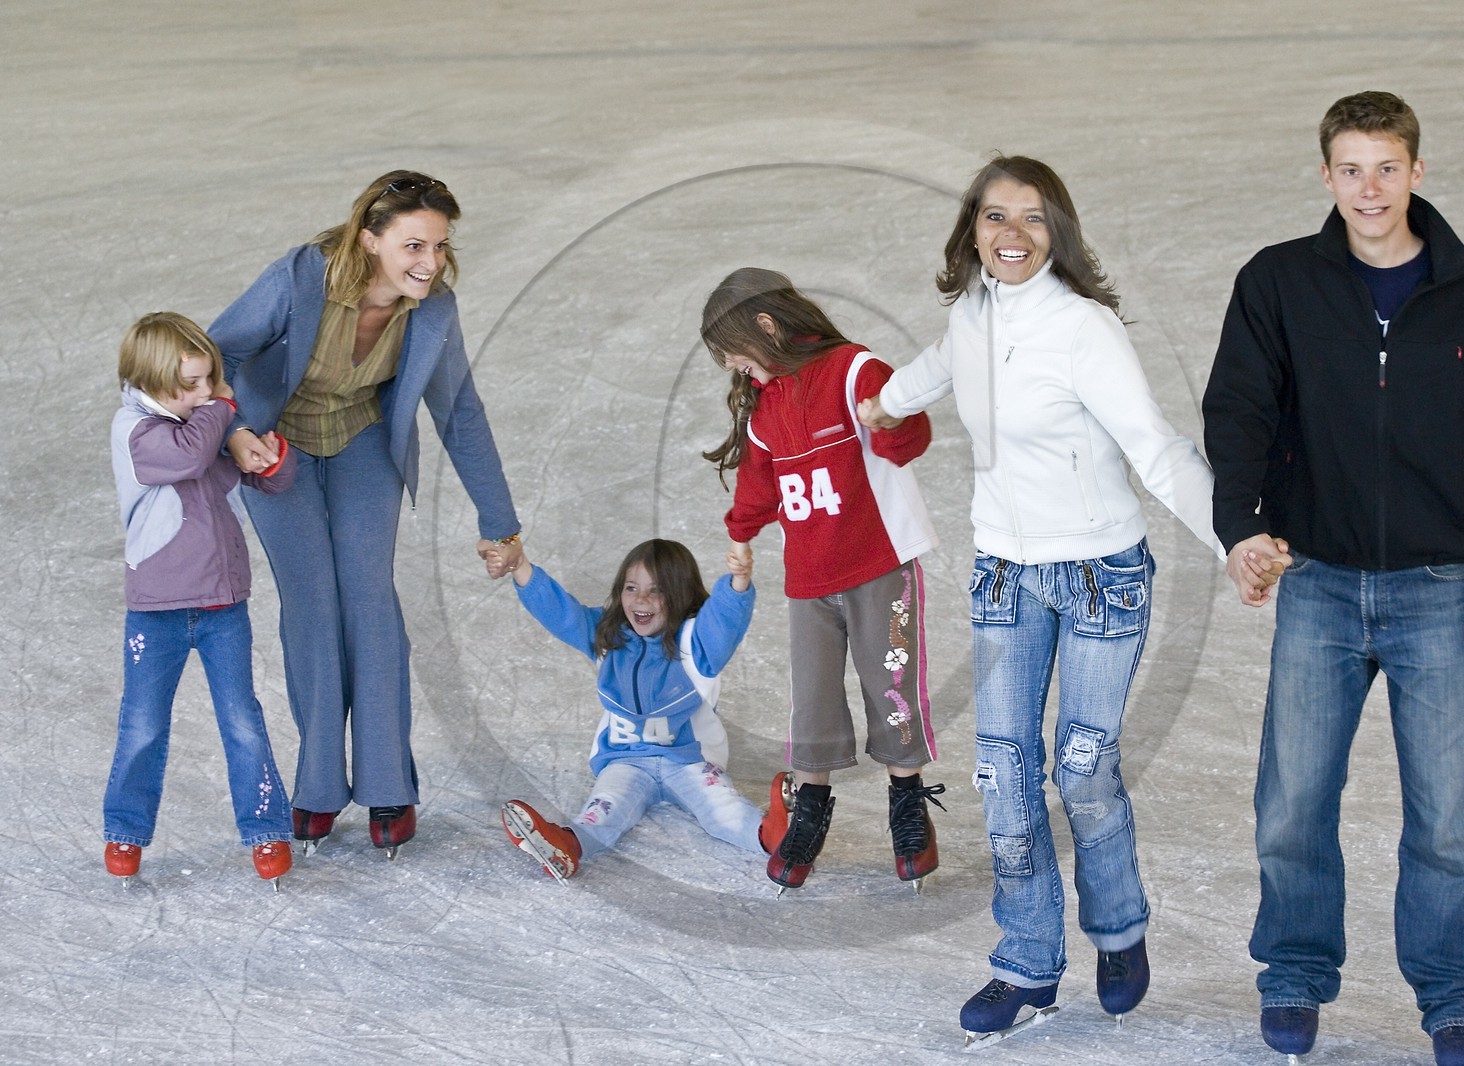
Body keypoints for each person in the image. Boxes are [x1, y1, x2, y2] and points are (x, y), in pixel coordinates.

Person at [1202, 91, 1464, 1066]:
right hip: (1318, 580)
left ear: (1416, 174)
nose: (1369, 188)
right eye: (1351, 168)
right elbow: (1240, 416)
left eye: (1386, 167)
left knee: (1450, 813)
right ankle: (1295, 975)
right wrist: (1243, 530)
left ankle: (1455, 995)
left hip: (1439, 586)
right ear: (1326, 177)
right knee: (1292, 799)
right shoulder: (1279, 283)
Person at [859, 156, 1226, 1041]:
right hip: (1003, 573)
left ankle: (1119, 927)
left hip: (1099, 575)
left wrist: (1235, 540)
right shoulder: (973, 314)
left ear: (1056, 229)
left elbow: (1156, 446)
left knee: (1082, 767)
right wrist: (877, 405)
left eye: (1031, 219)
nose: (1011, 236)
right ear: (972, 231)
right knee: (1001, 771)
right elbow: (932, 369)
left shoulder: (1084, 328)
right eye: (995, 218)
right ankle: (1027, 963)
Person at [209, 171, 523, 859]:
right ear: (369, 238)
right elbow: (215, 350)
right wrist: (233, 432)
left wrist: (498, 520)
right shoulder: (302, 277)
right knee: (312, 608)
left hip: (361, 446)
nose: (429, 263)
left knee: (370, 604)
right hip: (276, 449)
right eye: (413, 245)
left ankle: (389, 783)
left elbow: (459, 414)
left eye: (439, 247)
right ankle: (318, 784)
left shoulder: (432, 309)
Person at [701, 267, 946, 893]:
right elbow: (760, 480)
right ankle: (809, 809)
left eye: (738, 356)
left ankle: (908, 804)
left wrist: (886, 420)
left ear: (766, 325)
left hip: (879, 566)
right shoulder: (765, 408)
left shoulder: (856, 371)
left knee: (889, 684)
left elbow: (909, 440)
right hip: (809, 581)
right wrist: (740, 533)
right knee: (811, 698)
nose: (739, 371)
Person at [104, 312, 298, 888]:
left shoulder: (201, 421)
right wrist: (226, 413)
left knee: (242, 720)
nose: (204, 392)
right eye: (189, 383)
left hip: (222, 607)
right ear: (151, 381)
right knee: (142, 724)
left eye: (210, 378)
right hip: (156, 610)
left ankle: (266, 831)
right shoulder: (136, 429)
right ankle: (125, 829)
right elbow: (188, 456)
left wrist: (267, 459)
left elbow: (258, 480)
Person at [494, 539, 785, 879]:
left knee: (720, 809)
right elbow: (562, 612)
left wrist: (738, 582)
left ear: (680, 596)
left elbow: (724, 622)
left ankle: (772, 837)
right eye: (631, 588)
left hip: (689, 760)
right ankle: (568, 846)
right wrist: (521, 566)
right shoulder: (609, 637)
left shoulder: (697, 645)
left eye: (656, 591)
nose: (641, 600)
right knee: (604, 808)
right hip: (626, 759)